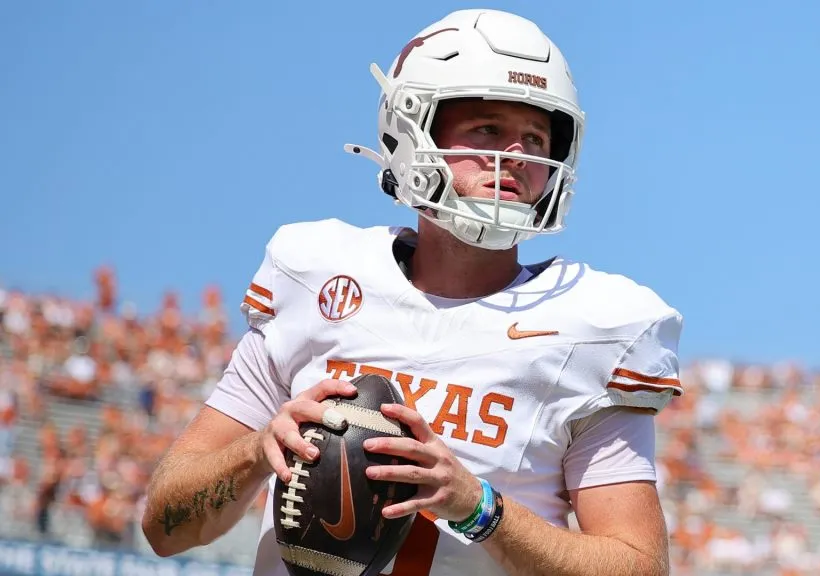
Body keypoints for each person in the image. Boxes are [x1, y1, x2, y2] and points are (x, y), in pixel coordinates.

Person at [141, 8, 683, 576]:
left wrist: (480, 508)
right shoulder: (317, 276)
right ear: (413, 128)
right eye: (488, 130)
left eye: (536, 137)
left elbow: (637, 567)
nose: (517, 156)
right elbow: (165, 527)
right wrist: (255, 454)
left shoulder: (592, 328)